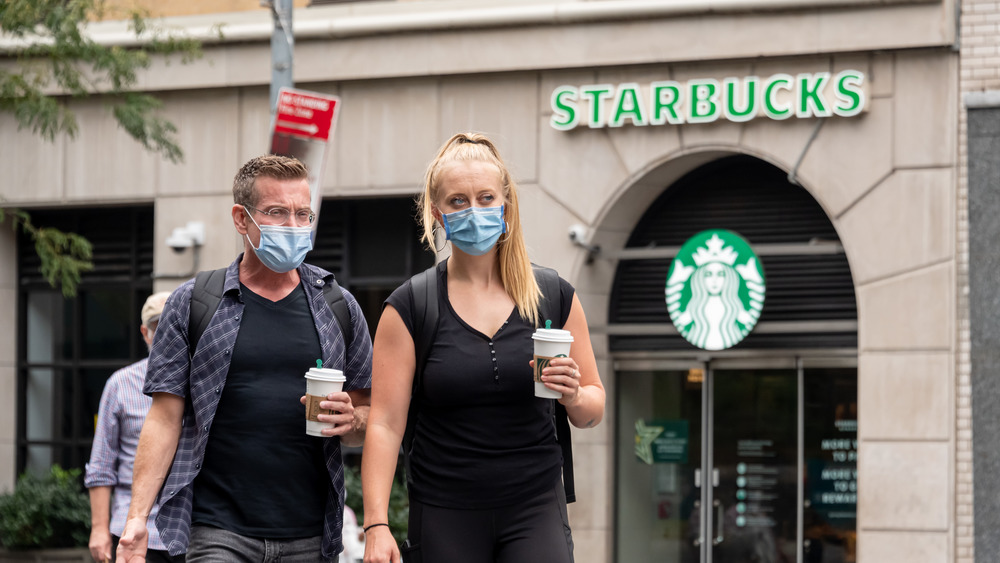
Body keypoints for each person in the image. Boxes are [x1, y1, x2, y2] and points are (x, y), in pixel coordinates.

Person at [361, 132, 606, 563]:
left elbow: (592, 411)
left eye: (486, 197)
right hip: (443, 509)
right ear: (437, 213)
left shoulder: (552, 295)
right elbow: (384, 424)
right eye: (458, 201)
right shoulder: (410, 306)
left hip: (535, 505)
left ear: (505, 206)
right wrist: (377, 525)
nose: (473, 210)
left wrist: (573, 394)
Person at [117, 155, 373, 563]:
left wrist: (351, 421)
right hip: (217, 528)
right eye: (276, 212)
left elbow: (368, 417)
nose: (292, 225)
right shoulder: (195, 302)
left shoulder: (337, 306)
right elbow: (163, 418)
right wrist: (136, 518)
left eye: (302, 214)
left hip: (309, 531)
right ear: (241, 218)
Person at [85, 291, 183, 563]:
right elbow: (101, 466)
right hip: (133, 531)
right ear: (144, 332)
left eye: (174, 325)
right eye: (157, 326)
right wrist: (98, 529)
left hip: (190, 531)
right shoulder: (120, 384)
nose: (166, 333)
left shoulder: (203, 380)